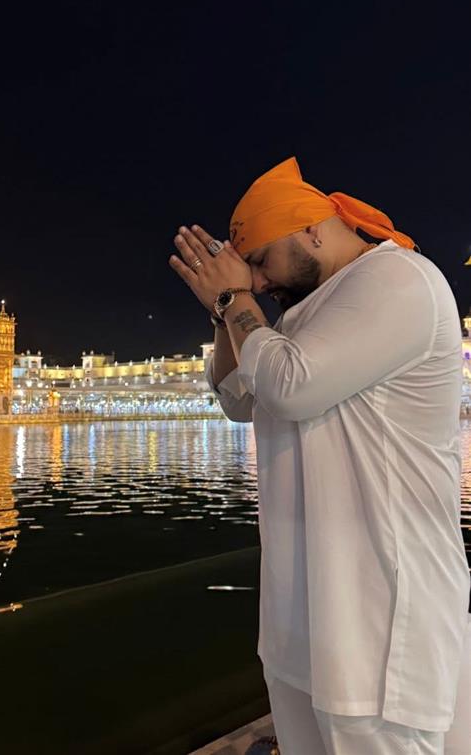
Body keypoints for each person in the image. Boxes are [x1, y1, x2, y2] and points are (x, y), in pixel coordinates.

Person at [169, 157, 471, 754]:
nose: (258, 281)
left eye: (259, 261)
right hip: (304, 621)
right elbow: (238, 398)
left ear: (311, 228)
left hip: (380, 621)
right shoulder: (306, 313)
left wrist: (233, 297)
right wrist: (221, 310)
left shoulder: (397, 281)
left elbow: (291, 384)